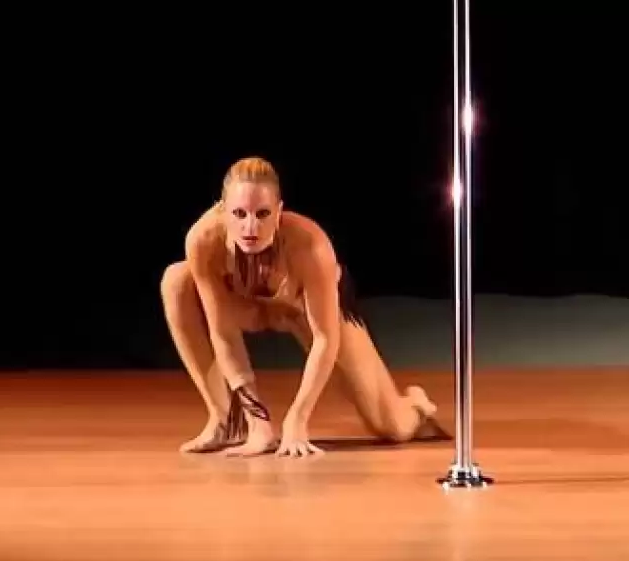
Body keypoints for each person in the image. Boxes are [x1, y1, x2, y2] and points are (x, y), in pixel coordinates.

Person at [159, 156, 448, 457]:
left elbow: (325, 338)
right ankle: (228, 422)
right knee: (176, 281)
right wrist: (259, 422)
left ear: (279, 211)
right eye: (239, 214)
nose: (250, 227)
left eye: (262, 214)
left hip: (304, 312)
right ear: (223, 211)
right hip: (246, 307)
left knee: (393, 427)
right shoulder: (203, 240)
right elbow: (223, 332)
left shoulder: (310, 245)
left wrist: (297, 419)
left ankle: (414, 405)